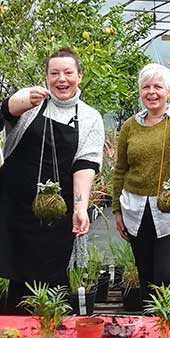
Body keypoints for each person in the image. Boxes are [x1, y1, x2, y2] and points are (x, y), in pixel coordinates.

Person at [0, 48, 105, 311]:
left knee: (52, 280)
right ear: (46, 77)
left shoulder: (90, 117)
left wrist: (80, 208)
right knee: (17, 279)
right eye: (54, 73)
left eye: (68, 72)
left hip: (56, 215)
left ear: (79, 76)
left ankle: (51, 337)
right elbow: (4, 115)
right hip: (15, 209)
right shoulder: (29, 105)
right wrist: (15, 103)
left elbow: (85, 164)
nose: (62, 78)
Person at [112, 59, 170, 302]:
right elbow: (120, 168)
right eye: (146, 87)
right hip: (135, 208)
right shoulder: (130, 126)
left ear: (168, 92)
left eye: (158, 87)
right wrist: (116, 210)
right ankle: (149, 334)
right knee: (147, 276)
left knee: (166, 275)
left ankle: (169, 330)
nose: (151, 93)